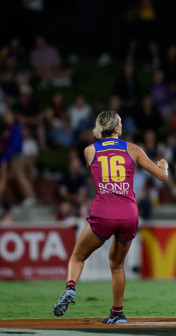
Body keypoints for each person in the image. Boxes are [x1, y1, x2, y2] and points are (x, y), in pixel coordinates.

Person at [52, 110, 169, 324]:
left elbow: (98, 176)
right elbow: (162, 177)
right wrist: (164, 164)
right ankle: (117, 313)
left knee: (78, 256)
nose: (122, 126)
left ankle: (70, 287)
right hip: (128, 215)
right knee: (117, 265)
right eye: (121, 123)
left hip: (103, 213)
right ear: (116, 128)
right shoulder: (133, 149)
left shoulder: (89, 151)